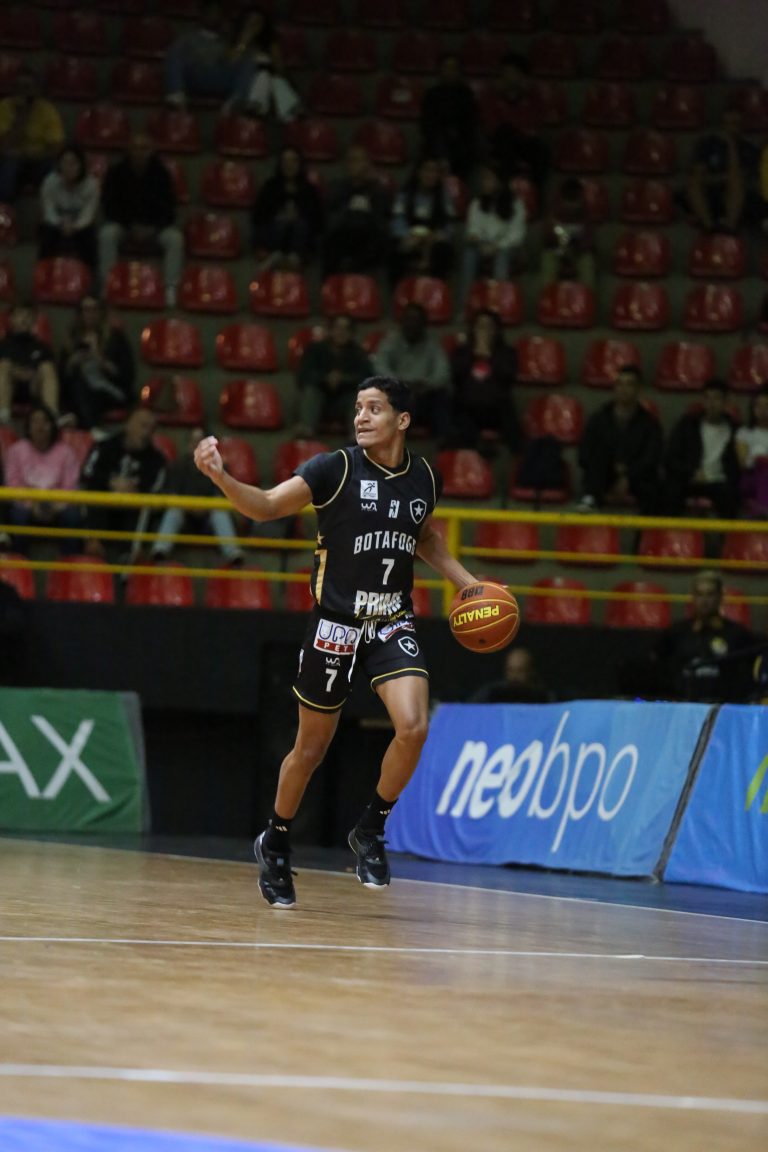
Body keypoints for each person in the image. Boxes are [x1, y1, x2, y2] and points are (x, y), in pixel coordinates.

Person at [194, 375, 478, 907]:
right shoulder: (335, 468)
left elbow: (422, 534)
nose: (361, 417)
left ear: (402, 420)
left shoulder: (424, 477)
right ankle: (276, 840)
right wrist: (221, 476)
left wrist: (467, 582)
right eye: (358, 408)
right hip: (335, 624)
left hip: (390, 619)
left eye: (374, 408)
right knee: (311, 749)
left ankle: (370, 828)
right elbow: (265, 506)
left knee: (414, 727)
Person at [98, 133, 183, 308]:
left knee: (175, 239)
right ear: (129, 150)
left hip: (155, 228)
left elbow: (169, 209)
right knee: (107, 234)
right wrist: (130, 225)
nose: (139, 152)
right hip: (124, 226)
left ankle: (170, 287)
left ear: (151, 151)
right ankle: (108, 283)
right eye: (135, 148)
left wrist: (153, 228)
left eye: (144, 148)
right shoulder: (116, 172)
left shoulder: (162, 174)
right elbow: (109, 206)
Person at [648, 571, 759, 702]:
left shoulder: (737, 633)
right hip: (685, 704)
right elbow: (657, 663)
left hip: (723, 705)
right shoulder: (677, 632)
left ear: (720, 597)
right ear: (693, 597)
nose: (704, 601)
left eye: (710, 594)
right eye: (700, 594)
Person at [150, 425, 244, 567]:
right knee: (174, 510)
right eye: (193, 442)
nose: (196, 446)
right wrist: (191, 507)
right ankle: (160, 550)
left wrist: (205, 507)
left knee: (219, 511)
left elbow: (223, 497)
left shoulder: (220, 468)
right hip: (185, 518)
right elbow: (172, 495)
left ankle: (233, 553)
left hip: (209, 519)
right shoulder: (178, 466)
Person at [80, 407, 166, 560]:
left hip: (132, 508)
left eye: (151, 428)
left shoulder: (156, 459)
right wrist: (111, 482)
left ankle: (130, 554)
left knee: (147, 505)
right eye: (143, 426)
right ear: (128, 424)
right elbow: (87, 475)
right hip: (103, 505)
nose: (146, 433)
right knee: (88, 493)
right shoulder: (104, 447)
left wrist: (134, 490)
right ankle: (93, 542)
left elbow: (156, 489)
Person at [577, 365, 663, 514]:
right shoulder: (599, 418)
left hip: (637, 477)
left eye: (629, 384)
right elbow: (584, 452)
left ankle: (647, 526)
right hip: (604, 474)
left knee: (652, 483)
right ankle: (590, 498)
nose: (623, 389)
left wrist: (627, 477)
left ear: (638, 389)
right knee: (596, 458)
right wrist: (613, 467)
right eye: (620, 384)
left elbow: (651, 457)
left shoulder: (650, 423)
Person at [3, 403, 82, 552]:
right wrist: (32, 505)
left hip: (58, 506)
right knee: (17, 515)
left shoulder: (66, 452)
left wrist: (54, 506)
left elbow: (70, 486)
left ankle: (70, 561)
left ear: (52, 425)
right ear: (28, 426)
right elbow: (13, 484)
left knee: (72, 516)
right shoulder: (16, 450)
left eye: (45, 421)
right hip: (26, 505)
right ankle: (19, 561)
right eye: (35, 421)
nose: (40, 427)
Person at [373, 303, 452, 443]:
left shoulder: (432, 344)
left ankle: (443, 445)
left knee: (442, 397)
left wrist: (426, 385)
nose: (412, 324)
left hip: (425, 393)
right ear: (402, 322)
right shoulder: (391, 341)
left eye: (416, 321)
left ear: (424, 324)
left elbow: (443, 372)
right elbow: (380, 366)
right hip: (397, 392)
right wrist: (401, 384)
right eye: (408, 320)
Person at [664, 378, 740, 519]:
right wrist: (691, 471)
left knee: (730, 496)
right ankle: (666, 531)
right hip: (691, 478)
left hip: (720, 482)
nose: (711, 403)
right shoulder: (687, 425)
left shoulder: (736, 430)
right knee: (670, 490)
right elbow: (671, 457)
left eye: (716, 398)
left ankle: (728, 533)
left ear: (725, 402)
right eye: (707, 398)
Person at [58, 296, 136, 432]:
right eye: (86, 309)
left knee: (86, 393)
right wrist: (72, 363)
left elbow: (127, 375)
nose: (90, 314)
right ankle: (93, 430)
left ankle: (83, 425)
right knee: (79, 385)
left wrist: (99, 359)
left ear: (101, 312)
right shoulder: (72, 339)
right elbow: (61, 375)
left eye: (94, 309)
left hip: (109, 390)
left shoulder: (115, 338)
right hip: (79, 390)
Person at [449, 309, 521, 456]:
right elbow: (455, 376)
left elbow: (508, 377)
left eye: (488, 327)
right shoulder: (462, 351)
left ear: (497, 330)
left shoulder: (507, 352)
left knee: (509, 415)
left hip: (496, 407)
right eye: (480, 326)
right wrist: (473, 356)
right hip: (468, 406)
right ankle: (477, 448)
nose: (484, 331)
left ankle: (519, 457)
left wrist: (489, 357)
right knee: (458, 416)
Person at [164, 0, 255, 112]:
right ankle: (176, 97)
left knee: (247, 58)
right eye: (210, 12)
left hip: (219, 78)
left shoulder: (228, 39)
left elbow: (232, 59)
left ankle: (236, 101)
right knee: (175, 51)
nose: (214, 16)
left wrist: (234, 42)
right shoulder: (188, 37)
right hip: (197, 78)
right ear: (202, 14)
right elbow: (181, 57)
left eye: (217, 13)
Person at [295, 317, 373, 437]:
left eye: (346, 329)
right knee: (311, 391)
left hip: (345, 399)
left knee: (358, 396)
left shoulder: (358, 353)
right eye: (337, 328)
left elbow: (366, 378)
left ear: (352, 333)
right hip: (320, 396)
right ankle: (306, 429)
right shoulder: (315, 349)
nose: (341, 332)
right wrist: (326, 379)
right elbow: (304, 375)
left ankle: (357, 434)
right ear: (330, 330)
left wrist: (342, 379)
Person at [461, 164, 527, 304]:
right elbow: (473, 229)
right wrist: (479, 242)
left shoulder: (516, 204)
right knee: (469, 252)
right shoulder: (477, 203)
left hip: (507, 247)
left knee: (502, 255)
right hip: (482, 245)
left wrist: (497, 246)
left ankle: (498, 303)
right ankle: (466, 302)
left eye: (488, 179)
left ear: (500, 182)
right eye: (484, 179)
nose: (484, 183)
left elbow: (517, 235)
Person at [483, 53, 548, 194]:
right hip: (501, 144)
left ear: (521, 76)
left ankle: (535, 195)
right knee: (505, 133)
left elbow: (535, 125)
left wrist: (518, 130)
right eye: (505, 72)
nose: (508, 77)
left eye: (512, 73)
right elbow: (492, 127)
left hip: (525, 143)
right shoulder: (492, 96)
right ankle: (507, 190)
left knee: (541, 151)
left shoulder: (532, 97)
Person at [683, 110, 757, 234]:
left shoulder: (748, 148)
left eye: (735, 124)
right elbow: (699, 173)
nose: (731, 128)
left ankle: (730, 226)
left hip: (736, 196)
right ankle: (708, 226)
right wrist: (722, 178)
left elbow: (740, 176)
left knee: (736, 182)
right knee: (693, 182)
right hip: (710, 190)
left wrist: (731, 145)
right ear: (722, 125)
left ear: (741, 126)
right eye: (728, 124)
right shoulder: (707, 144)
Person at [251, 147, 325, 270]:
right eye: (285, 161)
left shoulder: (309, 190)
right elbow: (258, 215)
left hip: (300, 234)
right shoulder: (270, 187)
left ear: (300, 164)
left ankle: (294, 258)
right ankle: (274, 255)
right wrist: (278, 216)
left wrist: (298, 216)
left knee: (301, 226)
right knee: (279, 224)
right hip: (274, 231)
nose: (289, 165)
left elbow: (318, 220)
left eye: (293, 161)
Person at [322, 145, 390, 277]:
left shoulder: (378, 191)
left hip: (368, 238)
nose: (353, 164)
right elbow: (330, 220)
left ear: (367, 164)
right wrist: (349, 209)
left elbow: (381, 223)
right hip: (342, 235)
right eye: (350, 160)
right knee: (331, 240)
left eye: (358, 160)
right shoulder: (336, 187)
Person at [0, 64, 64, 204]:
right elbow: (4, 146)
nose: (22, 91)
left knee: (52, 168)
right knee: (9, 164)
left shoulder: (47, 111)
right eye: (18, 86)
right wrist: (21, 116)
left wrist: (29, 155)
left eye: (27, 87)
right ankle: (4, 206)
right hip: (9, 160)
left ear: (36, 90)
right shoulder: (4, 107)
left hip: (37, 161)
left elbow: (56, 148)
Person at [389, 157, 456, 284]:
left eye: (435, 171)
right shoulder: (405, 194)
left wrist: (439, 235)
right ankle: (398, 290)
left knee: (444, 251)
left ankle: (436, 289)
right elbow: (397, 220)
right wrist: (407, 236)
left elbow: (449, 225)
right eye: (427, 170)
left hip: (433, 240)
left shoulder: (444, 197)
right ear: (419, 172)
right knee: (394, 249)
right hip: (410, 237)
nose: (431, 175)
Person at [230, 7, 301, 122]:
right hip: (243, 87)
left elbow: (280, 70)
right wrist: (244, 42)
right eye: (251, 22)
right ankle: (291, 111)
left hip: (269, 89)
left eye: (258, 22)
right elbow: (231, 63)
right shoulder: (237, 41)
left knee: (266, 75)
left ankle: (255, 108)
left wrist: (269, 62)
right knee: (265, 75)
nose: (254, 26)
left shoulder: (270, 43)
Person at [38, 144, 100, 272]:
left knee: (89, 237)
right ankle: (44, 272)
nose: (68, 168)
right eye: (65, 163)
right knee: (47, 233)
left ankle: (89, 275)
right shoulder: (50, 182)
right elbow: (48, 210)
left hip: (80, 225)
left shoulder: (91, 185)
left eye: (73, 163)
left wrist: (75, 226)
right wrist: (60, 223)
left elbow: (88, 214)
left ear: (81, 165)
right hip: (57, 223)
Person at [419, 53, 478, 181]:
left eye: (454, 68)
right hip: (435, 145)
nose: (450, 72)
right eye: (447, 67)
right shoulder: (431, 94)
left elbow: (471, 124)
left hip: (462, 146)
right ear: (440, 70)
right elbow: (428, 125)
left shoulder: (467, 95)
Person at [0, 304, 59, 423]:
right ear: (11, 319)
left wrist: (32, 375)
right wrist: (17, 373)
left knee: (47, 368)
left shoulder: (42, 347)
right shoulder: (3, 345)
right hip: (10, 387)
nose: (24, 319)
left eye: (28, 316)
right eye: (20, 315)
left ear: (33, 321)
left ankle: (51, 416)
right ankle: (3, 416)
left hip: (33, 387)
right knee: (4, 365)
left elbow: (46, 372)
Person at [540, 178, 596, 291]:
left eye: (575, 201)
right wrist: (559, 242)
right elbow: (546, 240)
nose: (572, 205)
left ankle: (588, 297)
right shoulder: (553, 215)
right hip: (558, 251)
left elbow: (589, 241)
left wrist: (575, 246)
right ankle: (547, 296)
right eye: (569, 201)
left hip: (578, 253)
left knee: (588, 262)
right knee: (547, 259)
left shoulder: (586, 215)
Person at [468, 646, 552, 704]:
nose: (515, 676)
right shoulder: (492, 694)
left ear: (530, 672)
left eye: (520, 671)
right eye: (510, 670)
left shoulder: (543, 697)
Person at [735, 384, 768, 517]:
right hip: (751, 478)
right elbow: (743, 463)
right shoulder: (744, 432)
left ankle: (761, 508)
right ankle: (763, 510)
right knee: (763, 467)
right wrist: (760, 460)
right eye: (758, 406)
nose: (763, 410)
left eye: (767, 405)